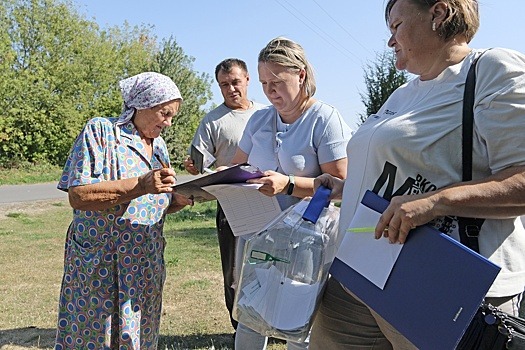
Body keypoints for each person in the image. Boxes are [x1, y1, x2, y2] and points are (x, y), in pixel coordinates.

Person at [309, 0, 525, 348]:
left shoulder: (491, 70)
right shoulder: (402, 93)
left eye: (396, 27)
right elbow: (406, 173)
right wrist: (344, 188)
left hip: (442, 285)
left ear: (438, 14)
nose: (390, 41)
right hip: (361, 269)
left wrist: (437, 202)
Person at [228, 37, 353, 350]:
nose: (270, 91)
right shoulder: (258, 119)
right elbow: (235, 168)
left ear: (301, 75)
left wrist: (290, 184)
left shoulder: (324, 119)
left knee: (298, 321)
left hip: (305, 240)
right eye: (263, 83)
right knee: (251, 313)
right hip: (257, 233)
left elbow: (342, 185)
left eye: (277, 82)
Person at [54, 72, 193, 349]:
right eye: (164, 113)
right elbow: (79, 196)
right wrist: (140, 185)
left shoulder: (159, 147)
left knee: (138, 337)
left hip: (143, 264)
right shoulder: (102, 132)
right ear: (143, 104)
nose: (167, 122)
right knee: (92, 336)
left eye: (172, 116)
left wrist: (178, 200)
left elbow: (152, 205)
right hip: (101, 262)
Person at [183, 58, 266, 333]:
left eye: (235, 82)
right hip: (231, 205)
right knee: (234, 272)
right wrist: (194, 165)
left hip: (270, 199)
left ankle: (273, 323)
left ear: (247, 80)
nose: (230, 89)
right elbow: (200, 161)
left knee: (272, 263)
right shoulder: (212, 121)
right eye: (223, 85)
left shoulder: (267, 114)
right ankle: (240, 327)